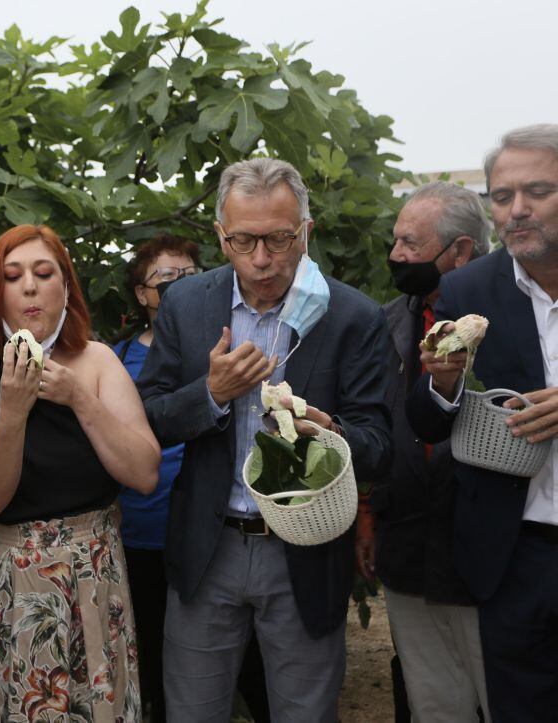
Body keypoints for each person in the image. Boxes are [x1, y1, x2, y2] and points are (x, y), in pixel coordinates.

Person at [138, 157, 391, 721]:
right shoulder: (186, 304)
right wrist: (210, 393)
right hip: (210, 547)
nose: (261, 259)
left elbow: (380, 442)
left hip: (304, 550)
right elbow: (149, 416)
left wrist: (333, 435)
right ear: (219, 236)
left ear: (306, 231)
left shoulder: (352, 316)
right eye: (243, 240)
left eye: (278, 239)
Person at [0, 224, 161, 720]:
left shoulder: (96, 361)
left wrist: (79, 398)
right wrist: (13, 409)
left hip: (90, 578)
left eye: (43, 272)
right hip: (0, 579)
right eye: (13, 276)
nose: (29, 286)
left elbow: (144, 474)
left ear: (66, 288)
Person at [406, 124, 558, 722]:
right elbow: (427, 424)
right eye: (501, 196)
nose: (516, 210)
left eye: (538, 191)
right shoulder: (470, 288)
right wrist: (441, 383)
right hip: (516, 552)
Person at [357, 181, 492, 722]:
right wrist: (368, 513)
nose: (396, 256)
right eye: (395, 241)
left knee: (504, 694)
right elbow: (377, 423)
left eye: (410, 243)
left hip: (486, 549)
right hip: (408, 540)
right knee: (433, 699)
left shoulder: (509, 319)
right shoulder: (388, 322)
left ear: (459, 251)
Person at [114, 235, 200, 723]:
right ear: (142, 294)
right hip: (138, 532)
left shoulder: (220, 345)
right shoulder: (116, 356)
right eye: (165, 278)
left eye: (188, 275)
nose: (178, 286)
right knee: (148, 651)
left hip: (200, 529)